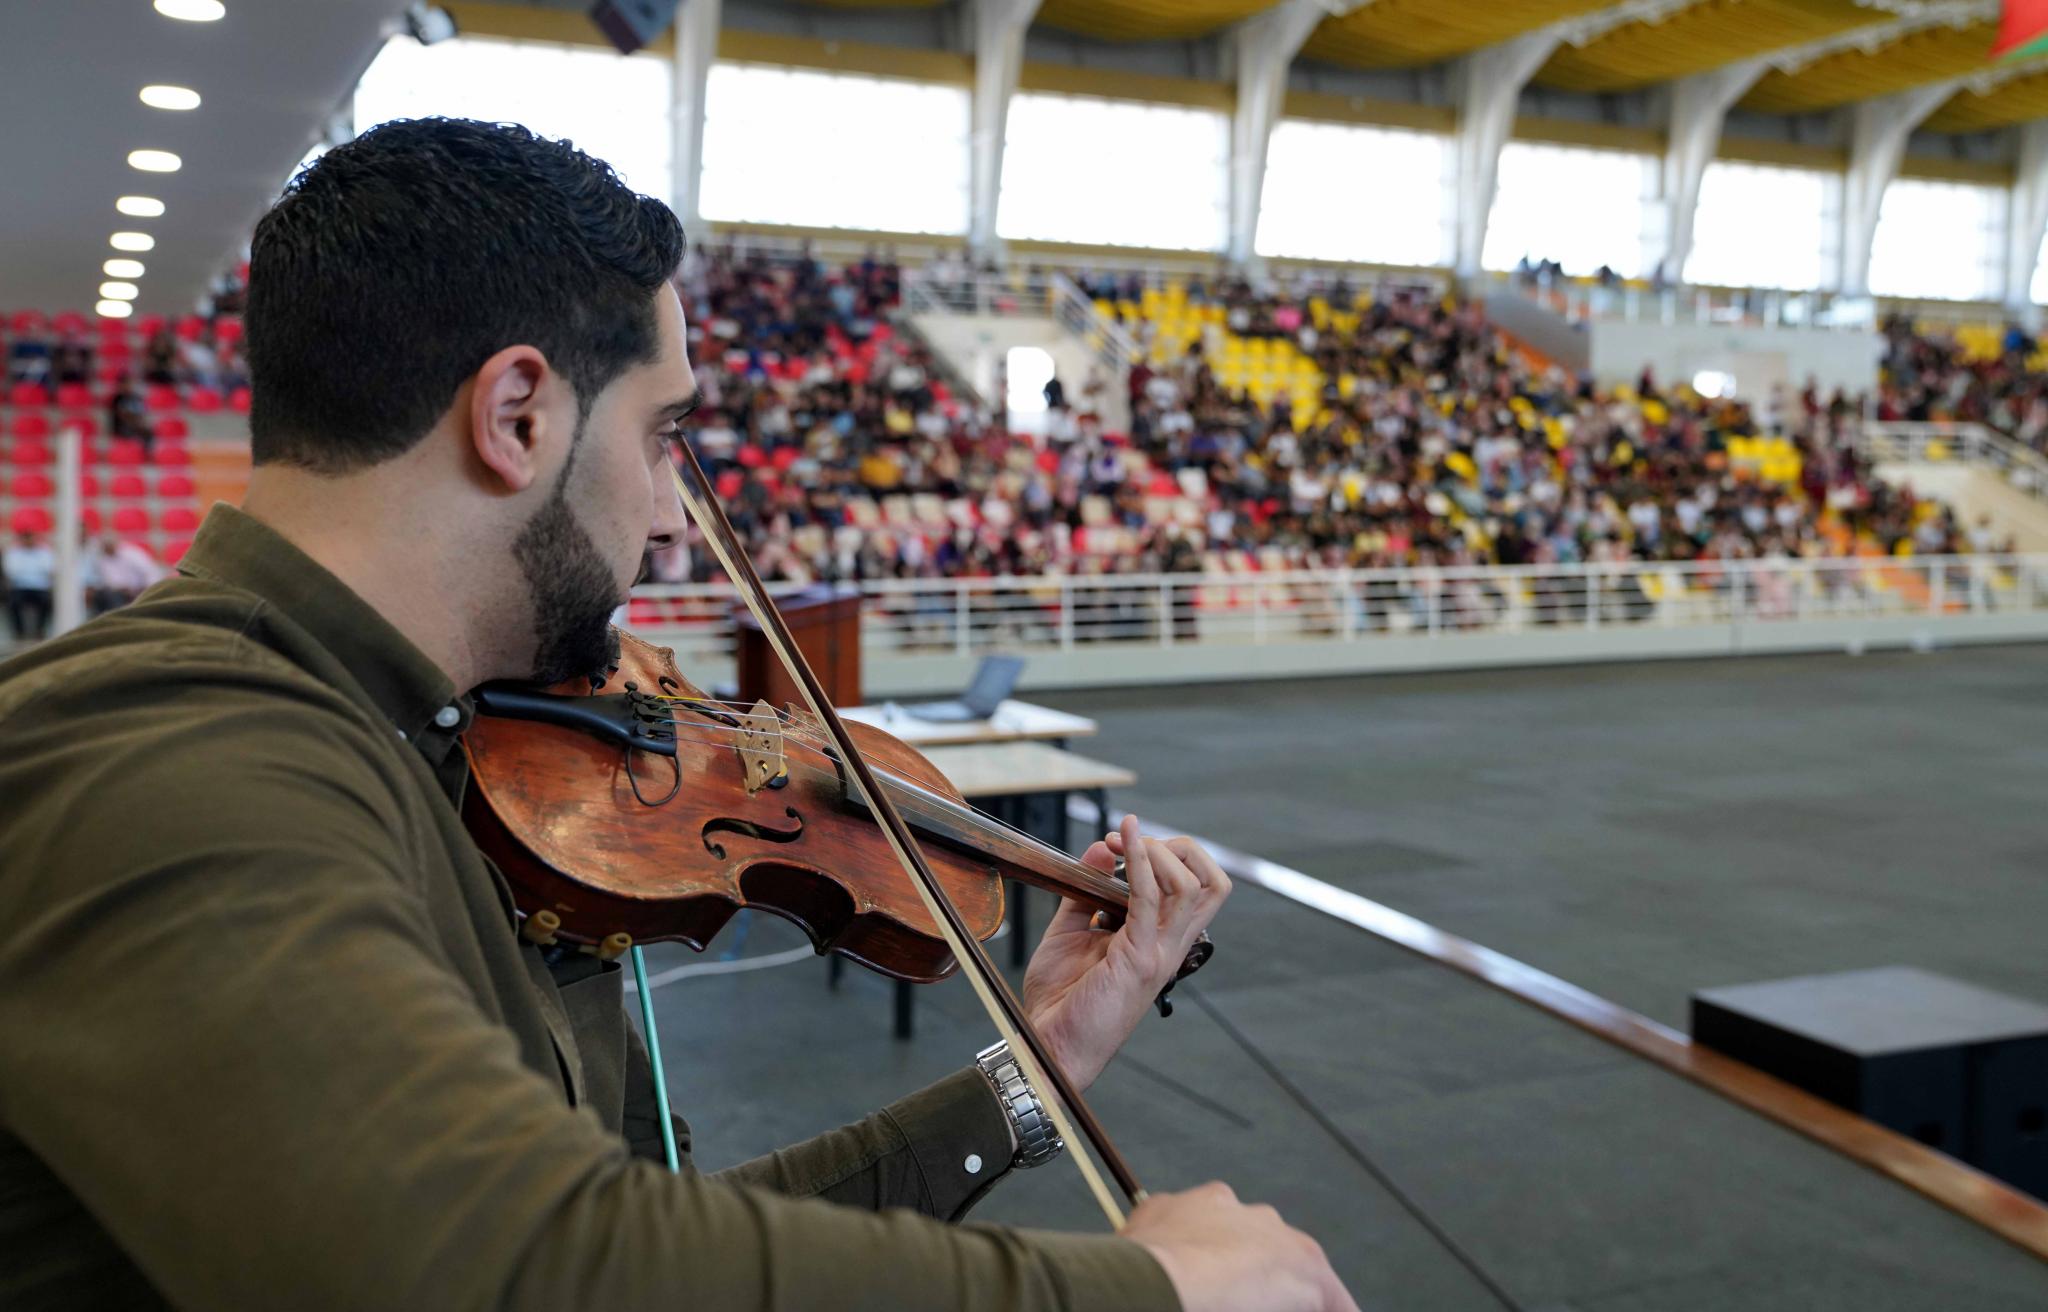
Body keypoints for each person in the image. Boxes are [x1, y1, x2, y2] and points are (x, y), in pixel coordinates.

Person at [0, 119, 1353, 1312]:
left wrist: (1042, 1064)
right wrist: (1143, 1291)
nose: (666, 516)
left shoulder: (408, 745)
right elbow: (527, 1272)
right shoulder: (161, 747)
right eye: (660, 438)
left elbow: (656, 1240)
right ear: (517, 413)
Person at [84, 533, 167, 615]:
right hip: (117, 593)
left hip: (139, 590)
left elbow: (150, 572)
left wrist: (146, 590)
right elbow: (108, 581)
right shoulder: (102, 560)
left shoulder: (132, 554)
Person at [2, 529, 54, 641]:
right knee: (13, 602)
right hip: (20, 587)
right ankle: (19, 632)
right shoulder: (14, 552)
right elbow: (11, 571)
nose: (28, 540)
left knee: (46, 601)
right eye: (25, 537)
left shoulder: (44, 551)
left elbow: (49, 569)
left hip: (40, 587)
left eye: (30, 536)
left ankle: (39, 631)